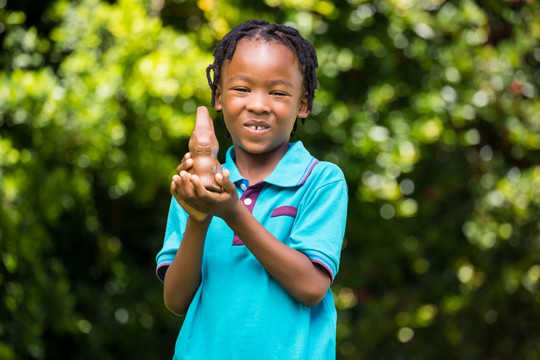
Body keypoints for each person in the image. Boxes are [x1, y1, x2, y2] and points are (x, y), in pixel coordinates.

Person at [155, 19, 348, 359]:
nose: (258, 104)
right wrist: (199, 217)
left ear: (303, 104)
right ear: (218, 96)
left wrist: (233, 212)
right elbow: (176, 300)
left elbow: (311, 287)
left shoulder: (321, 181)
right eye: (242, 89)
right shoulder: (196, 188)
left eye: (277, 92)